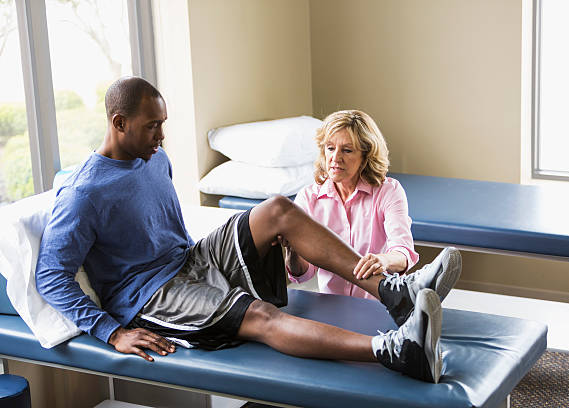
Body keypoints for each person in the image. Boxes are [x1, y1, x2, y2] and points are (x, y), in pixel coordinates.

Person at [35, 77, 459, 384]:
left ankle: (393, 291)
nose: (162, 136)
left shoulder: (153, 158)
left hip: (191, 258)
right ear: (118, 122)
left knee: (277, 208)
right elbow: (51, 276)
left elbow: (165, 230)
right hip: (152, 294)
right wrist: (112, 332)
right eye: (152, 127)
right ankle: (397, 352)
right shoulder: (83, 194)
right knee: (259, 315)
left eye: (163, 124)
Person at [286, 109, 461, 306]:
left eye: (347, 150)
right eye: (330, 148)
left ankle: (404, 290)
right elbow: (303, 275)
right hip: (332, 305)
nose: (335, 158)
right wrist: (293, 251)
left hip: (377, 305)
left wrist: (383, 261)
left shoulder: (388, 191)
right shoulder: (308, 197)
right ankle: (410, 289)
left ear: (366, 155)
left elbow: (403, 252)